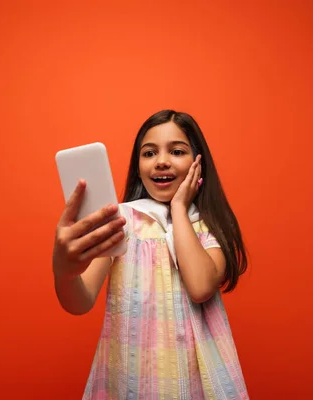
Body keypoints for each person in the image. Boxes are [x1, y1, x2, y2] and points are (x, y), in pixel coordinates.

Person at [52, 110, 249, 399]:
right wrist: (65, 272)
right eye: (149, 153)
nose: (161, 161)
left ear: (198, 162)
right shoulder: (122, 222)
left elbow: (200, 286)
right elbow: (79, 302)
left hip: (195, 382)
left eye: (177, 151)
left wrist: (180, 208)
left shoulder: (210, 226)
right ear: (138, 165)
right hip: (133, 377)